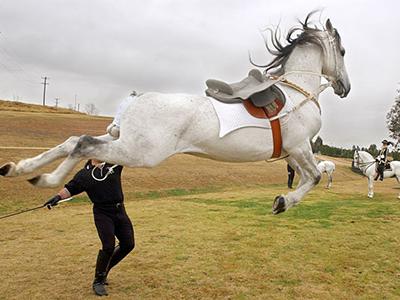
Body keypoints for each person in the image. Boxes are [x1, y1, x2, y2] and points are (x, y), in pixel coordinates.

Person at [44, 159, 135, 296]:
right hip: (102, 213)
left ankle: (105, 270)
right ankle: (98, 281)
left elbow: (126, 150)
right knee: (108, 246)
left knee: (128, 244)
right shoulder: (84, 175)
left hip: (120, 210)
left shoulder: (114, 165)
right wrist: (57, 197)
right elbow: (70, 188)